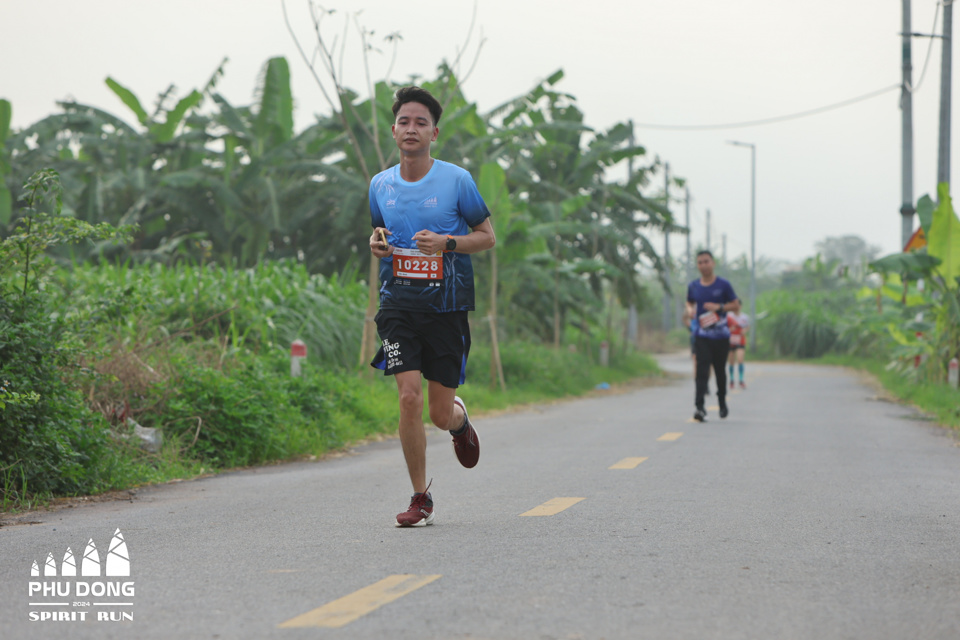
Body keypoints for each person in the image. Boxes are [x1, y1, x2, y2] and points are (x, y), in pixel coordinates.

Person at [368, 86, 496, 527]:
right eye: (404, 121)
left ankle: (459, 422)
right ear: (394, 129)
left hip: (446, 308)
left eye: (421, 122)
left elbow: (487, 235)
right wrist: (376, 246)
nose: (411, 128)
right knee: (407, 398)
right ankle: (420, 496)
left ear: (434, 133)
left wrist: (448, 243)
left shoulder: (457, 180)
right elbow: (380, 235)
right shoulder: (379, 184)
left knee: (438, 414)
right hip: (397, 306)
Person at [686, 250, 740, 422]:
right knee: (701, 370)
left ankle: (722, 401)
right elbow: (689, 301)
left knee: (719, 370)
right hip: (701, 335)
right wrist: (690, 310)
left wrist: (720, 307)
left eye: (706, 261)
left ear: (713, 263)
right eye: (700, 262)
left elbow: (735, 305)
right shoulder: (694, 286)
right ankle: (699, 407)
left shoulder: (723, 285)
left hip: (721, 336)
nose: (703, 265)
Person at [727, 310, 750, 389]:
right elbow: (725, 327)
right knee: (731, 361)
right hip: (731, 340)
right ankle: (732, 380)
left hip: (740, 340)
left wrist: (744, 331)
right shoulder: (729, 316)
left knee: (740, 359)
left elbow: (747, 326)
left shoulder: (745, 317)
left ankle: (741, 380)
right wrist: (730, 329)